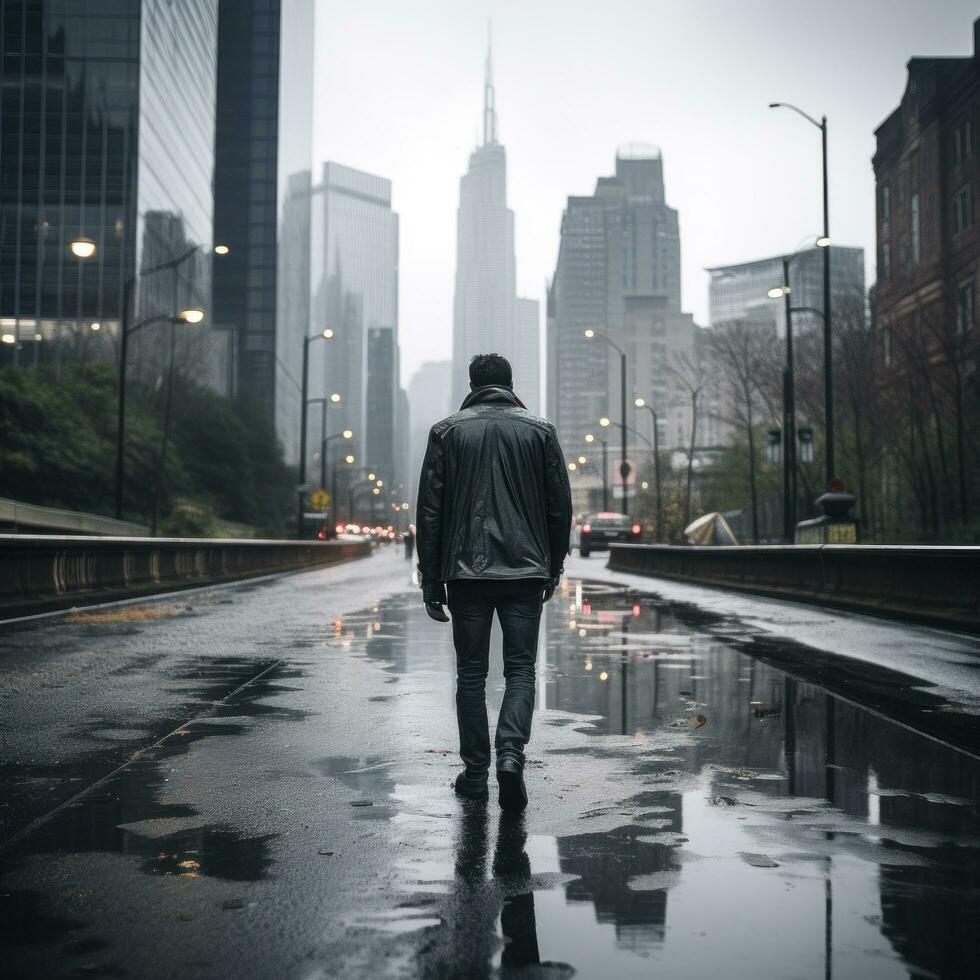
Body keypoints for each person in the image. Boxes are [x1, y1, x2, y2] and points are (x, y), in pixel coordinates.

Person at [416, 353, 572, 813]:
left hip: (466, 572)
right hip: (526, 570)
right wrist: (554, 564)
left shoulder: (446, 432)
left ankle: (475, 773)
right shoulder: (539, 431)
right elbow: (559, 506)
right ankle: (510, 753)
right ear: (510, 382)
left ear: (471, 383)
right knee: (520, 670)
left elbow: (430, 511)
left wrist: (431, 579)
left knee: (471, 675)